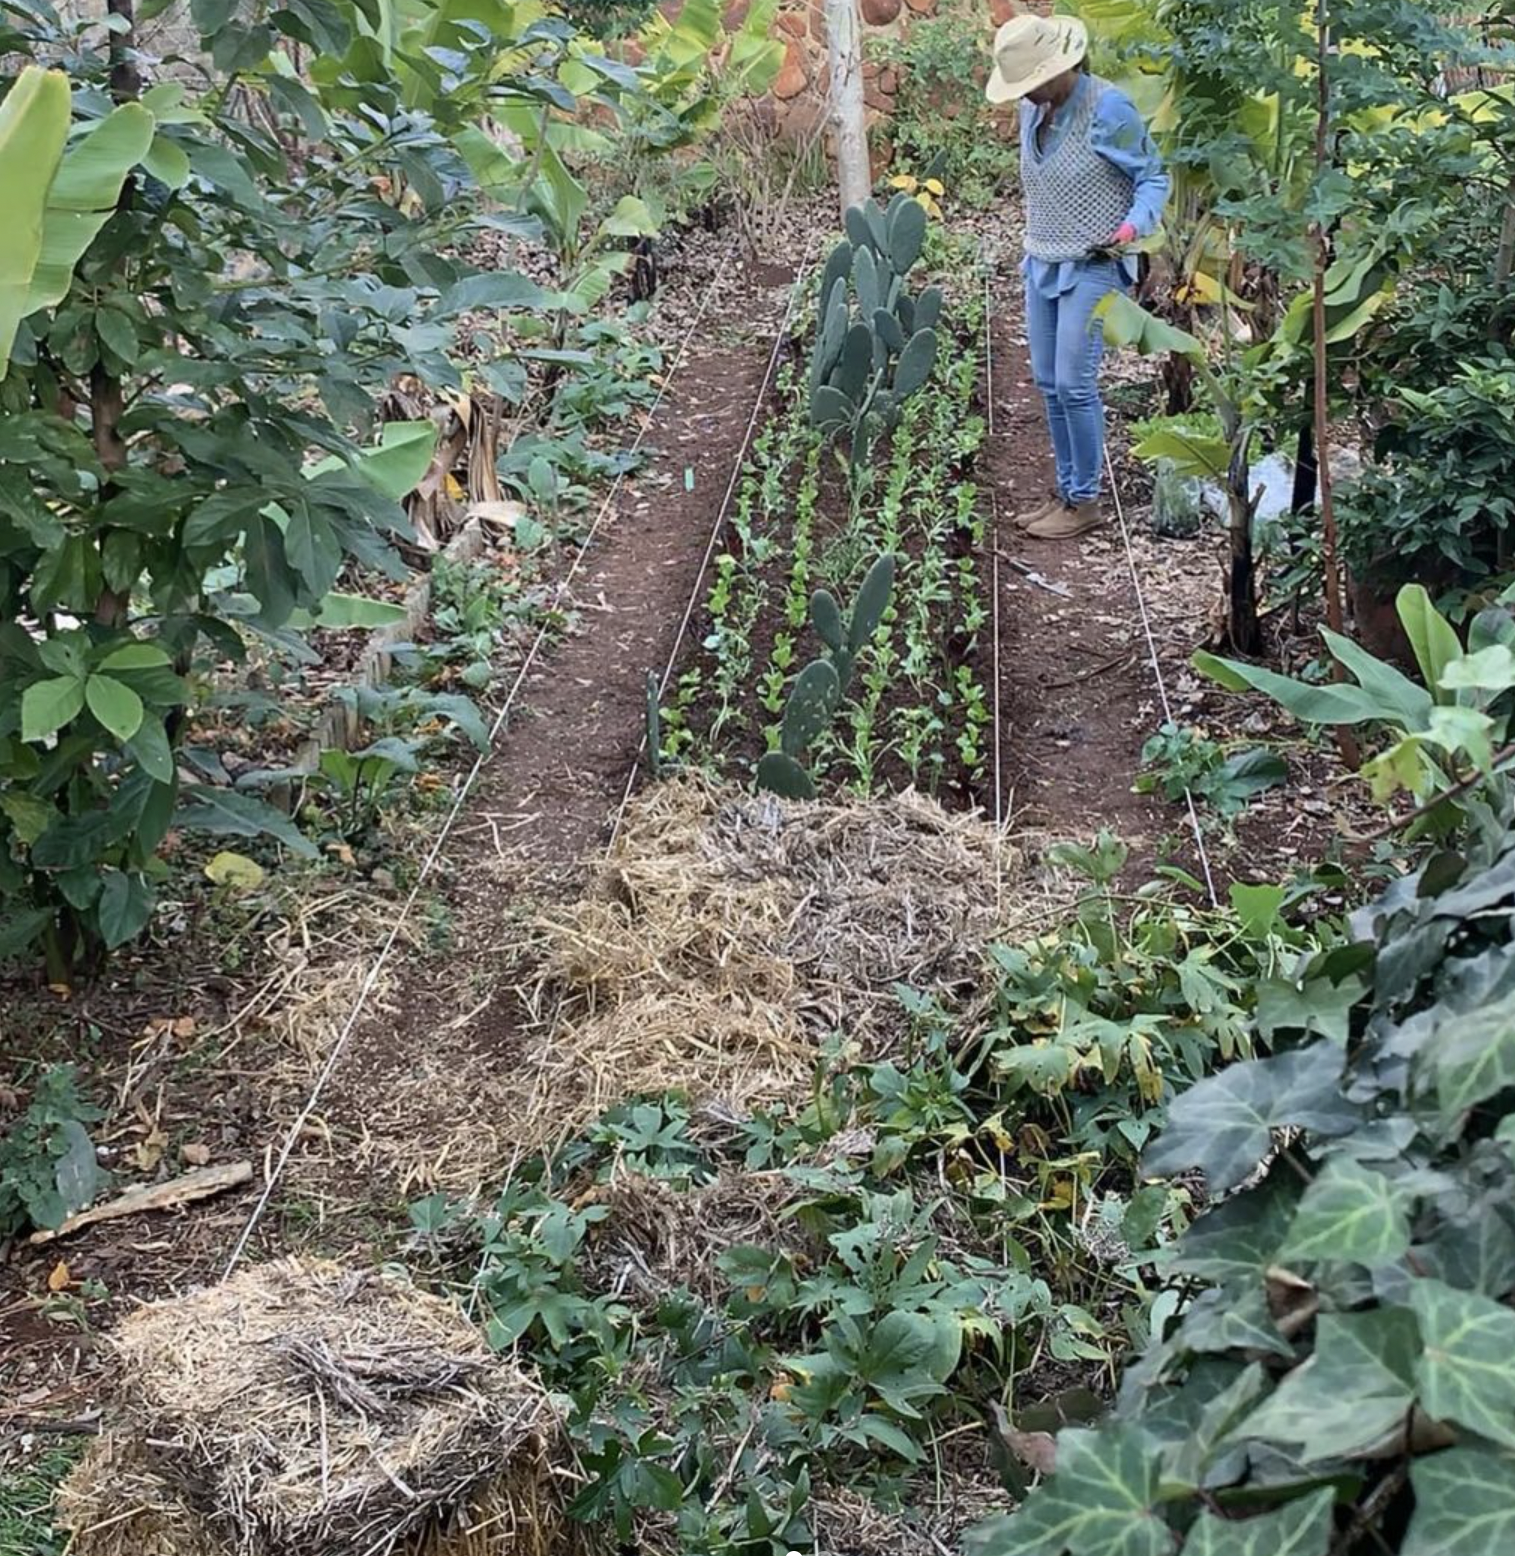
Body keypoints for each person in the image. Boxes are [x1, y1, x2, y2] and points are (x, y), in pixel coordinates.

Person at [986, 13, 1170, 539]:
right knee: (1047, 381)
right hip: (1041, 260)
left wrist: (1132, 227)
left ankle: (1085, 500)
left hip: (1096, 262)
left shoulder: (1107, 107)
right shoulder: (1032, 110)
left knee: (1075, 381)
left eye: (1031, 83)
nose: (1026, 94)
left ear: (1058, 67)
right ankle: (1066, 491)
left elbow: (1153, 177)